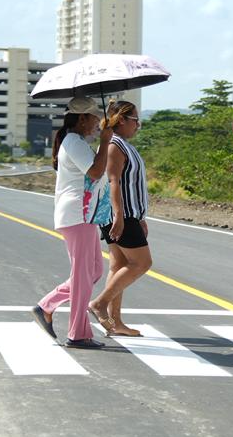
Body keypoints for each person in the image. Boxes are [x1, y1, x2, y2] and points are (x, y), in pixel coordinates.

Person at [32, 97, 114, 349]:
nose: (95, 123)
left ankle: (46, 305)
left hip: (84, 214)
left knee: (94, 271)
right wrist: (104, 141)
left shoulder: (75, 141)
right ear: (81, 119)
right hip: (76, 214)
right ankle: (78, 333)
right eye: (93, 118)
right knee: (82, 275)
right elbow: (95, 172)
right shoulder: (73, 142)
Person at [87, 100, 152, 337]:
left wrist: (140, 216)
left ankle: (115, 323)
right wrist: (119, 216)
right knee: (141, 263)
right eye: (135, 120)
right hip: (120, 215)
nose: (138, 125)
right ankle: (99, 303)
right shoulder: (115, 145)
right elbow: (113, 181)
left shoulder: (123, 144)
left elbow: (131, 184)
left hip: (129, 214)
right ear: (122, 120)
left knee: (119, 266)